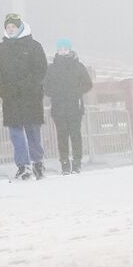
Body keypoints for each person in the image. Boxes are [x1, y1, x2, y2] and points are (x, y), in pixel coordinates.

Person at [0, 13, 47, 180]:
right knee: (16, 134)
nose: (10, 30)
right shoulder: (1, 49)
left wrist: (28, 87)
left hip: (31, 97)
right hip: (11, 99)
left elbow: (41, 69)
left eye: (13, 27)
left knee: (33, 132)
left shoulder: (34, 46)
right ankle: (23, 166)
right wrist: (5, 92)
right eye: (8, 27)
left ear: (20, 27)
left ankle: (37, 162)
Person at [44, 37, 93, 174]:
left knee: (75, 134)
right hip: (59, 107)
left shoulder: (78, 66)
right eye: (60, 49)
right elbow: (46, 87)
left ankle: (77, 162)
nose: (63, 51)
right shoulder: (52, 68)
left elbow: (88, 84)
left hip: (74, 106)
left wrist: (76, 92)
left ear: (70, 50)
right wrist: (56, 93)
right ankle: (64, 162)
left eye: (65, 49)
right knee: (62, 135)